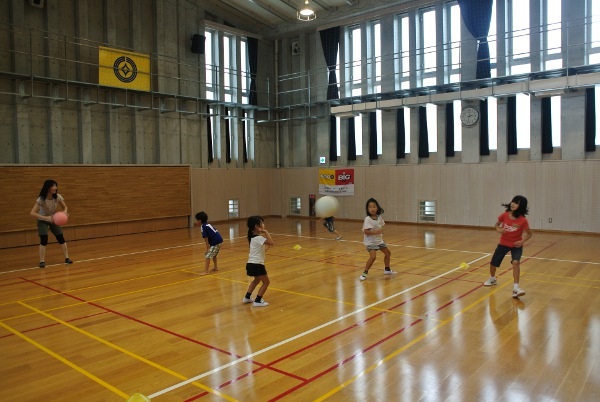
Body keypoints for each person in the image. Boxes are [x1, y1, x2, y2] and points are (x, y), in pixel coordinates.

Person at [483, 195, 533, 298]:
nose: (513, 204)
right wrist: (499, 229)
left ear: (521, 206)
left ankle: (516, 289)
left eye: (517, 203)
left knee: (516, 262)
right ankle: (492, 279)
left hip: (516, 245)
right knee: (493, 263)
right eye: (513, 201)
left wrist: (522, 241)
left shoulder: (523, 220)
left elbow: (529, 233)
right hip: (503, 244)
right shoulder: (504, 215)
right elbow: (497, 224)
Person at [30, 179, 73, 268]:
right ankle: (42, 261)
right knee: (44, 238)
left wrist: (65, 212)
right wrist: (46, 218)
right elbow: (32, 213)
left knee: (60, 237)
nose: (56, 188)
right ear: (48, 187)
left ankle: (67, 258)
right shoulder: (41, 199)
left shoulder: (58, 197)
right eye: (54, 186)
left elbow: (65, 207)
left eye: (56, 186)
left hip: (54, 219)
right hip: (43, 220)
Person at [359, 198, 396, 281]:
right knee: (373, 257)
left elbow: (381, 226)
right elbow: (366, 231)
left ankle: (387, 269)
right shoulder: (368, 219)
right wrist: (376, 232)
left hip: (379, 240)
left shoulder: (379, 217)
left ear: (377, 208)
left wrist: (380, 232)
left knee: (388, 253)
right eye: (370, 207)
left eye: (374, 206)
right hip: (370, 242)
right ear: (367, 209)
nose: (372, 208)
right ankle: (365, 272)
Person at [243, 216, 273, 307]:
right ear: (257, 226)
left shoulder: (253, 238)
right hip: (257, 265)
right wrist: (266, 232)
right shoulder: (258, 238)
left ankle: (247, 297)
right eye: (262, 223)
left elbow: (261, 250)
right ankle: (258, 300)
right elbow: (271, 242)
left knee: (256, 280)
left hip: (251, 264)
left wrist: (267, 247)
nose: (264, 225)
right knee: (266, 282)